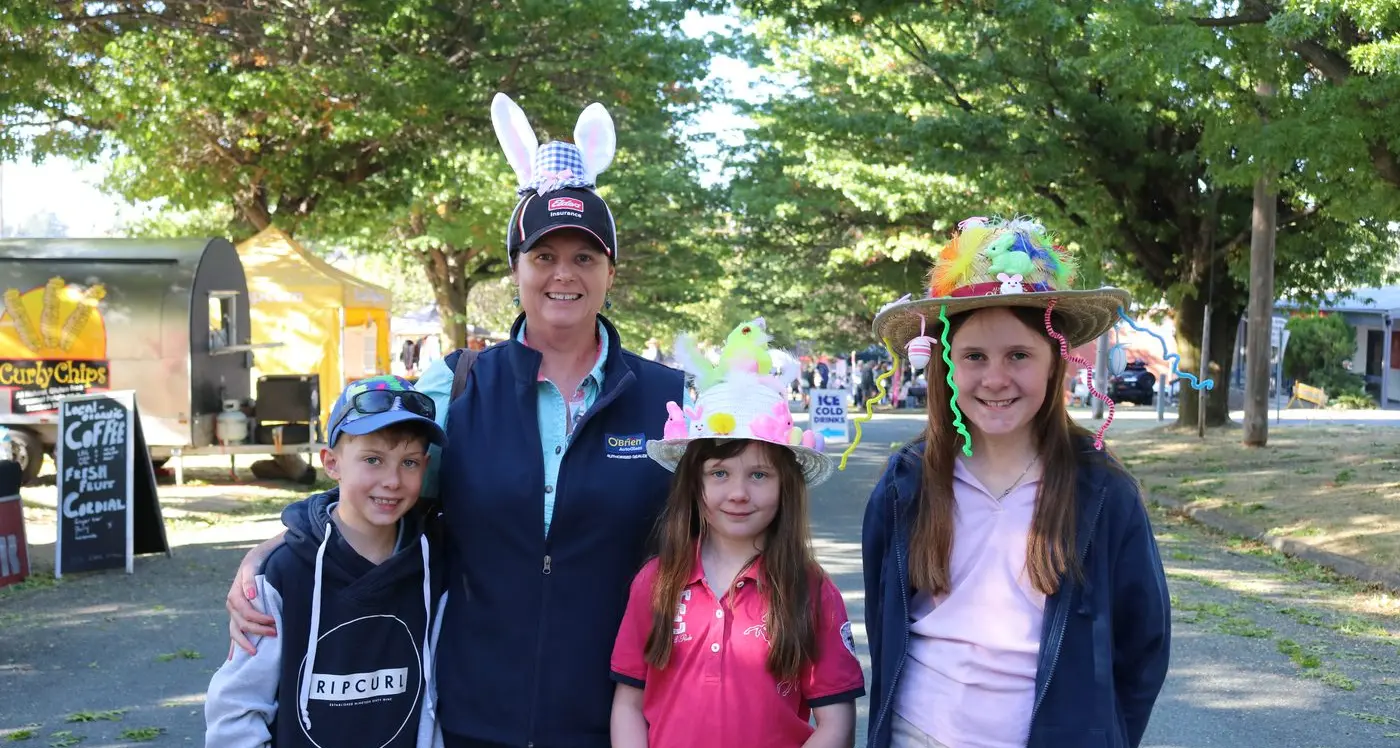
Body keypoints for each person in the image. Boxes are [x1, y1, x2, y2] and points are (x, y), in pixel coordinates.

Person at [225, 93, 690, 748]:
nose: (564, 274)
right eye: (543, 256)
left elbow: (722, 524)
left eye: (585, 257)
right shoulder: (458, 382)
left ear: (611, 271)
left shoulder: (669, 399)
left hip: (618, 716)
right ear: (515, 266)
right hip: (471, 714)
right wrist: (276, 548)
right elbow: (380, 482)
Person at [862, 217, 1171, 748]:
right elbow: (882, 616)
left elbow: (1142, 644)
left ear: (1055, 364)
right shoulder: (905, 483)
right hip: (919, 734)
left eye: (1019, 355)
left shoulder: (1102, 491)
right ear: (945, 365)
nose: (995, 378)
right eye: (974, 357)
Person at [610, 325, 863, 748]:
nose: (739, 493)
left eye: (759, 474)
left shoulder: (810, 590)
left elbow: (836, 724)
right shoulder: (656, 582)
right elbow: (628, 704)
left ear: (785, 486)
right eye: (719, 473)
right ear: (694, 483)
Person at [205, 375, 449, 747]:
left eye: (409, 463)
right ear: (331, 463)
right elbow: (236, 709)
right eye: (373, 459)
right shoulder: (279, 575)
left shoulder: (436, 566)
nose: (393, 480)